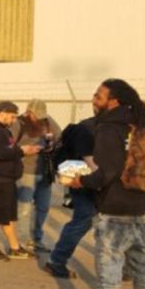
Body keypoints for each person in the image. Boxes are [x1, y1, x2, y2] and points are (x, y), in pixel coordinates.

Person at [70, 79, 145, 289]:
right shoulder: (141, 126)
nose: (94, 98)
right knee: (142, 267)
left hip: (114, 207)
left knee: (109, 267)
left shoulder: (109, 129)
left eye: (99, 95)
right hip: (141, 205)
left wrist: (81, 181)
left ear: (114, 101)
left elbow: (106, 173)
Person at [0, 102, 41, 260]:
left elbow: (7, 150)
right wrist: (22, 151)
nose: (13, 120)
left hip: (7, 180)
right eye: (12, 117)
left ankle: (14, 247)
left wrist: (21, 151)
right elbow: (1, 152)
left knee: (9, 216)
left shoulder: (3, 131)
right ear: (3, 113)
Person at [44, 107, 99, 279]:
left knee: (114, 223)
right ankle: (57, 260)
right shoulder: (89, 129)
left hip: (88, 182)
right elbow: (87, 160)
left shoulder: (92, 127)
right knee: (84, 219)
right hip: (83, 183)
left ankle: (129, 267)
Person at [14, 99, 61, 252]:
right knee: (25, 207)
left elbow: (59, 137)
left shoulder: (48, 121)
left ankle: (37, 239)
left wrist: (52, 145)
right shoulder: (18, 123)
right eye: (36, 115)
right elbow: (8, 144)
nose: (39, 118)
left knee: (43, 207)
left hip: (45, 170)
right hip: (26, 171)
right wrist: (24, 149)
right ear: (28, 112)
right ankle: (23, 240)